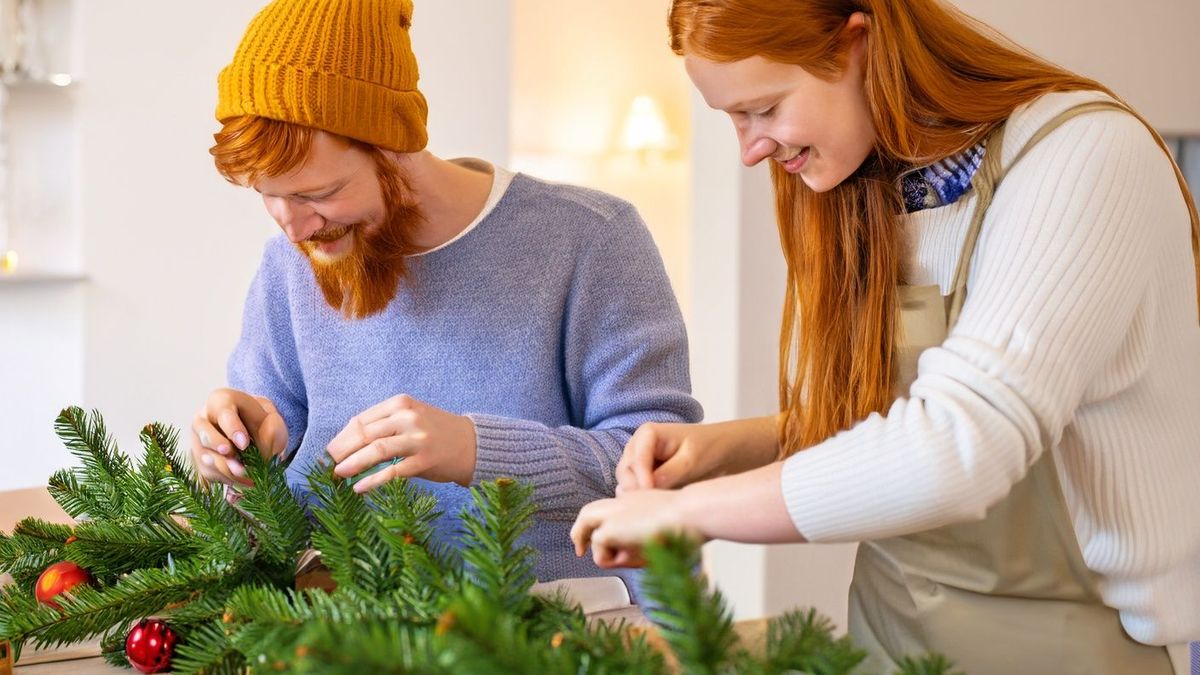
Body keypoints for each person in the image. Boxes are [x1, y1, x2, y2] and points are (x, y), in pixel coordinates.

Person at [570, 1, 1200, 672]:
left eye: (763, 109)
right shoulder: (873, 183)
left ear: (857, 46)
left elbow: (959, 446)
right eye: (732, 117)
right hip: (884, 636)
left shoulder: (1084, 157)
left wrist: (691, 512)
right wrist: (720, 450)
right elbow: (892, 418)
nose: (750, 149)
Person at [188, 0, 702, 596]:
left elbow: (664, 464)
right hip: (340, 632)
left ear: (394, 145)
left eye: (320, 192)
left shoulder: (590, 238)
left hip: (565, 629)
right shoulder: (288, 264)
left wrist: (475, 448)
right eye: (268, 198)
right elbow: (267, 498)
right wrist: (235, 456)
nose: (294, 229)